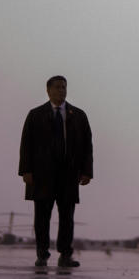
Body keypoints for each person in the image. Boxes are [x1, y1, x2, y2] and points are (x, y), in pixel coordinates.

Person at [19, 76, 93, 268]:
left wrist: (87, 172)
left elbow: (87, 146)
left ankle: (65, 254)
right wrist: (25, 170)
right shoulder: (35, 115)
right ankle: (42, 254)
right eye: (57, 87)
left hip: (68, 175)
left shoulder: (78, 115)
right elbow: (26, 144)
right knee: (42, 217)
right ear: (48, 90)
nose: (61, 91)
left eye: (64, 87)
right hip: (42, 175)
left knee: (67, 217)